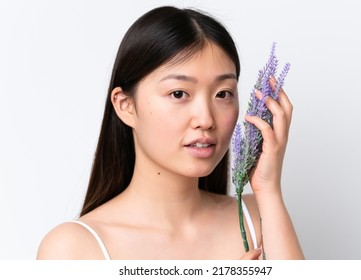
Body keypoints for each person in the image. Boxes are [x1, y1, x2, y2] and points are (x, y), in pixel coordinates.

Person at [37, 6, 304, 260]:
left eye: (223, 94)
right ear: (126, 106)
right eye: (179, 94)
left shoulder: (256, 217)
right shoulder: (73, 249)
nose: (206, 119)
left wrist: (268, 189)